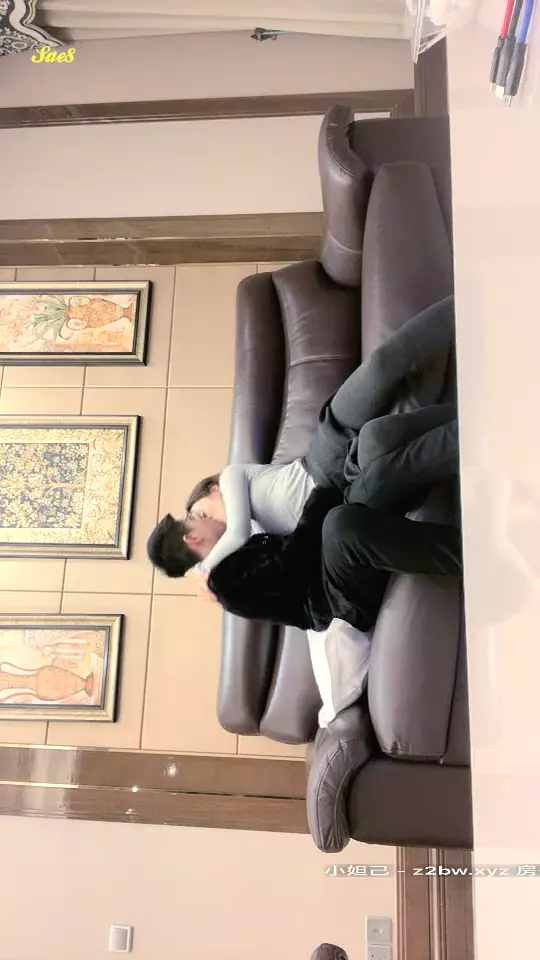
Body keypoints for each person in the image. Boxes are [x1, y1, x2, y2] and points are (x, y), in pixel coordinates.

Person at [147, 296, 457, 585]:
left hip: (324, 452)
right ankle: (473, 420)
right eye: (196, 518)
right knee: (378, 440)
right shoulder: (243, 555)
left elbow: (237, 532)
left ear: (214, 489)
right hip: (344, 492)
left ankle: (463, 300)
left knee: (377, 369)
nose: (203, 517)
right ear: (193, 541)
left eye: (200, 512)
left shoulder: (231, 479)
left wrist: (203, 571)